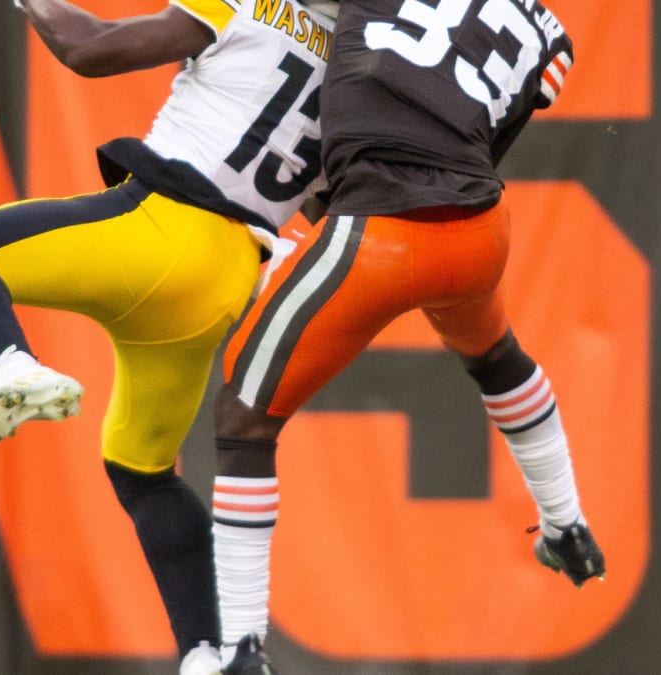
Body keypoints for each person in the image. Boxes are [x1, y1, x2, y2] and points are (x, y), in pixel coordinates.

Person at [0, 0, 336, 671]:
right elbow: (331, 201)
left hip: (160, 228)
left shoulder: (251, 5)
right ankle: (202, 654)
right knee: (142, 471)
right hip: (223, 279)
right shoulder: (353, 72)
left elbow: (90, 48)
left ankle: (11, 361)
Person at [209, 0, 607, 666]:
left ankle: (239, 647)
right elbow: (497, 117)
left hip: (383, 233)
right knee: (497, 354)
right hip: (479, 229)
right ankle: (568, 525)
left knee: (243, 418)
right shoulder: (550, 34)